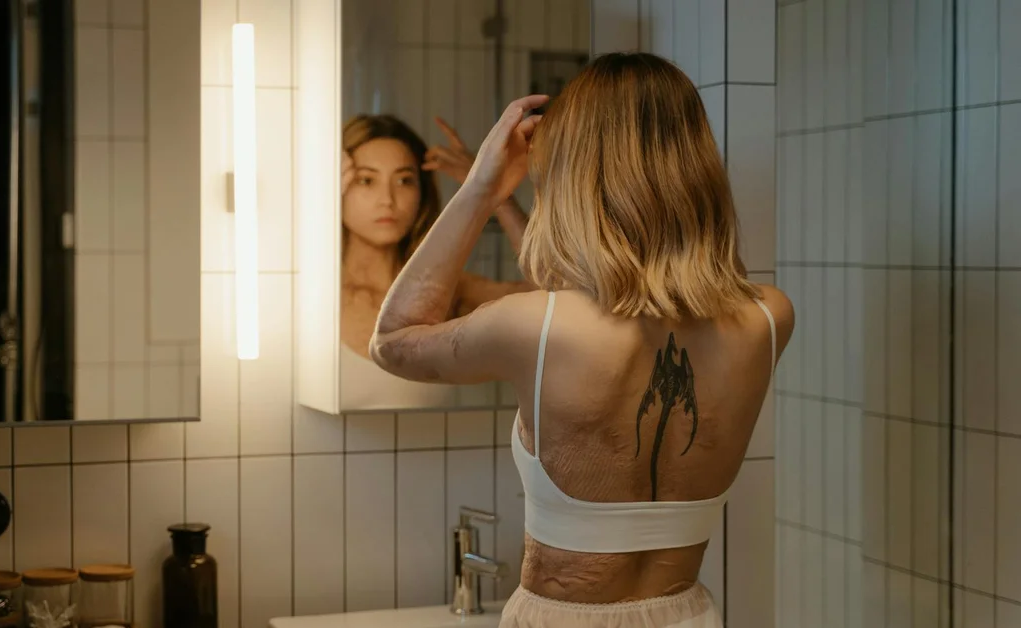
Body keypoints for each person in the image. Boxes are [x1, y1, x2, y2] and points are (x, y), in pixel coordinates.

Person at [370, 52, 794, 627]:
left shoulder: (538, 327)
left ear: (574, 171)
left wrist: (480, 189)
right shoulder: (768, 317)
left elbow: (394, 338)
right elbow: (600, 292)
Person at [338, 114, 531, 409]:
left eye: (404, 180)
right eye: (366, 180)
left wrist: (495, 192)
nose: (387, 199)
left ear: (422, 192)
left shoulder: (451, 290)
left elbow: (556, 296)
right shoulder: (311, 295)